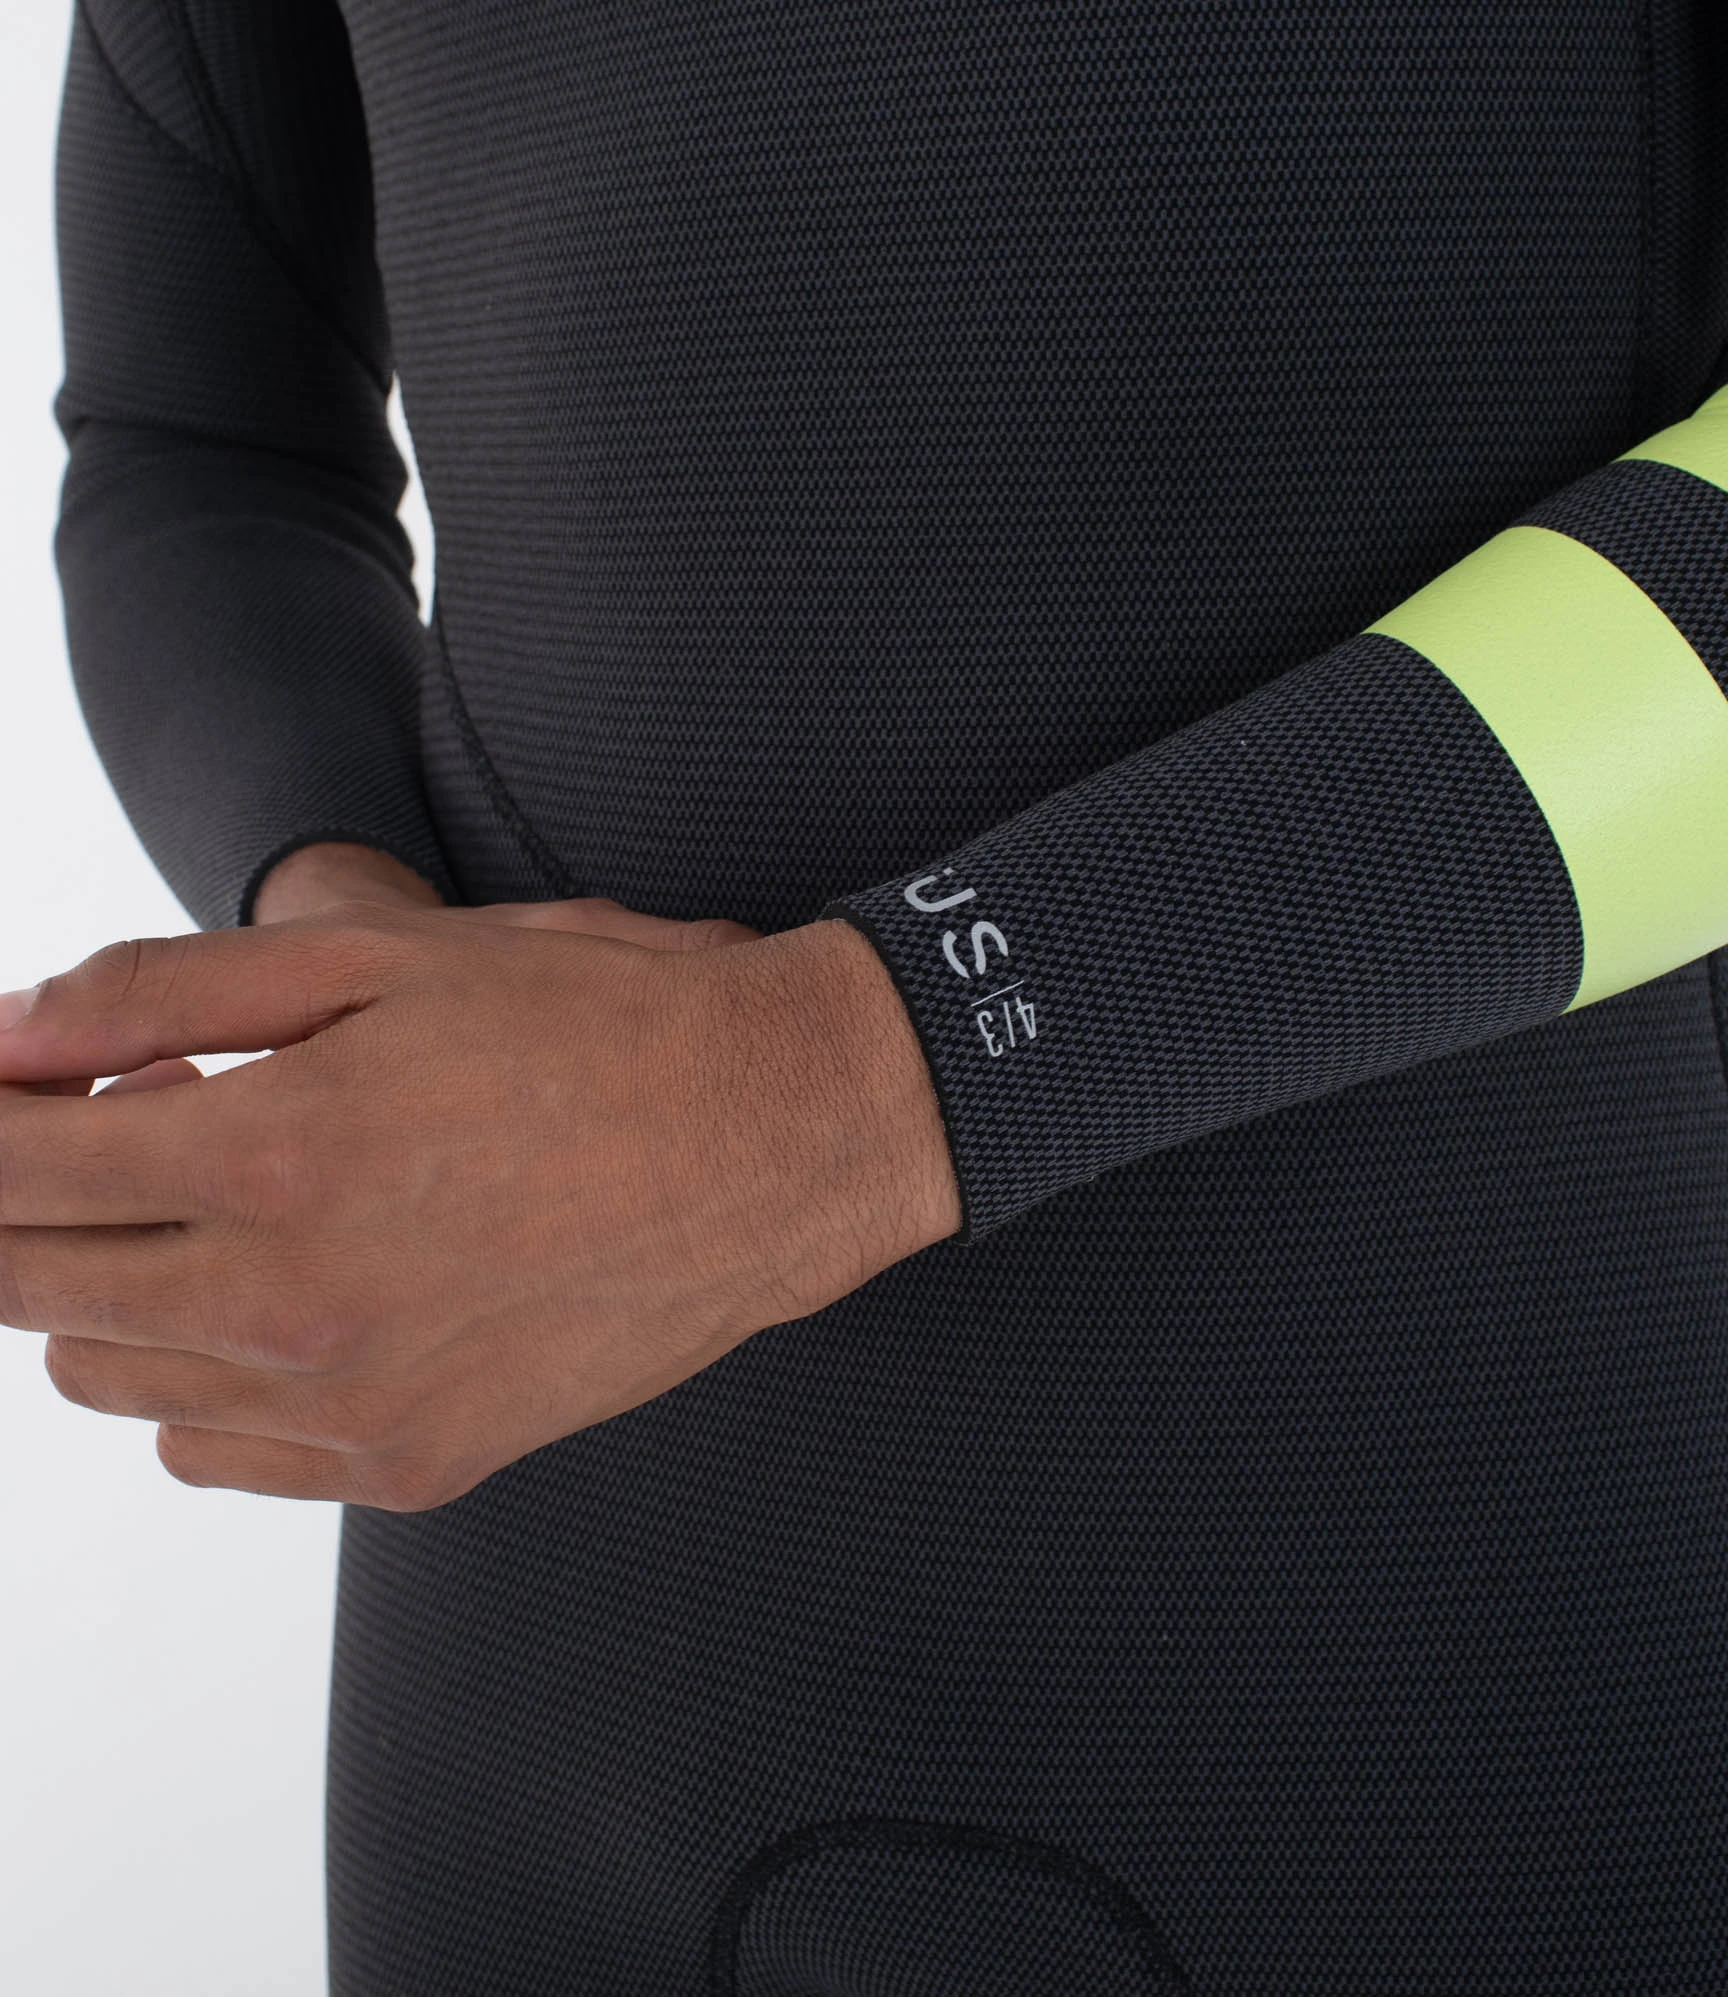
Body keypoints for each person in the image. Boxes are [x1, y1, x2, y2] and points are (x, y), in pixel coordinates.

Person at [5, 0, 1725, 1988]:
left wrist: (833, 1087)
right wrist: (348, 945)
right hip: (543, 1658)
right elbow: (199, 435)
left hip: (1470, 1601)